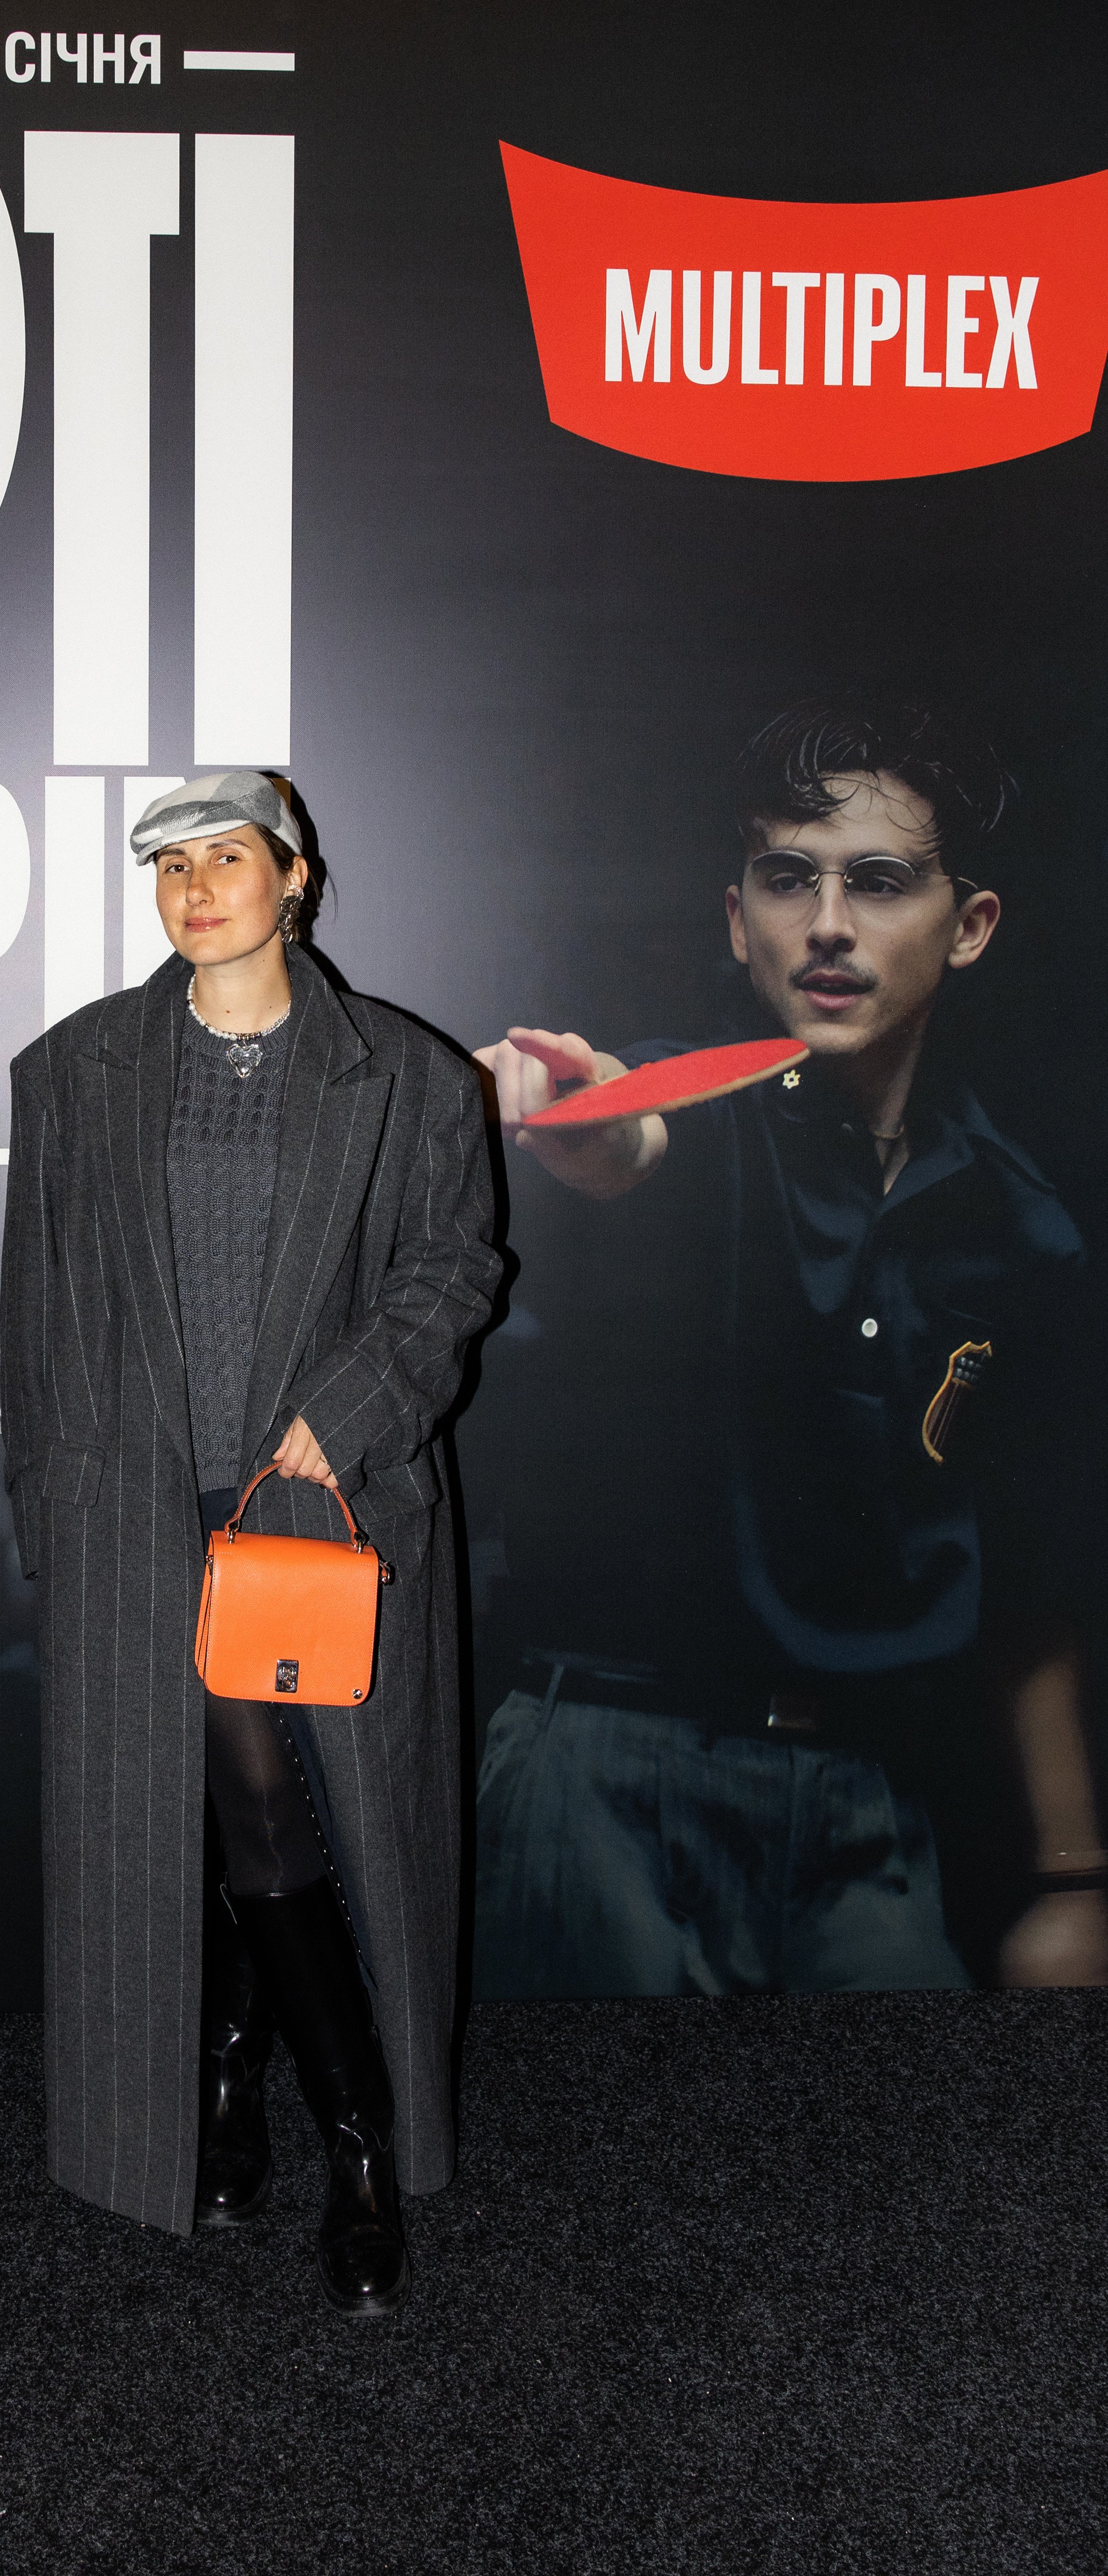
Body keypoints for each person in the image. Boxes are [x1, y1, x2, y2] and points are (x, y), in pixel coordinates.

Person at [475, 701, 1107, 1998]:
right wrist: (580, 1120)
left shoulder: (1019, 1223)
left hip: (874, 1800)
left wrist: (1070, 1880)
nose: (825, 923)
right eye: (785, 880)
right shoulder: (698, 1107)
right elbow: (628, 1128)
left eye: (876, 882)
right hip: (607, 1770)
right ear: (736, 920)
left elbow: (1029, 1578)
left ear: (968, 925)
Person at [0, 770, 506, 2313]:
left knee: (276, 1816)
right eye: (170, 866)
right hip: (136, 1513)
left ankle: (317, 2118)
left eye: (226, 858)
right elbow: (39, 1312)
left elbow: (455, 1268)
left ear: (295, 878)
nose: (195, 888)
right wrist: (47, 1507)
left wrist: (344, 1408)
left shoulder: (408, 1077)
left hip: (314, 1504)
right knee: (231, 1813)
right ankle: (296, 2109)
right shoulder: (72, 1069)